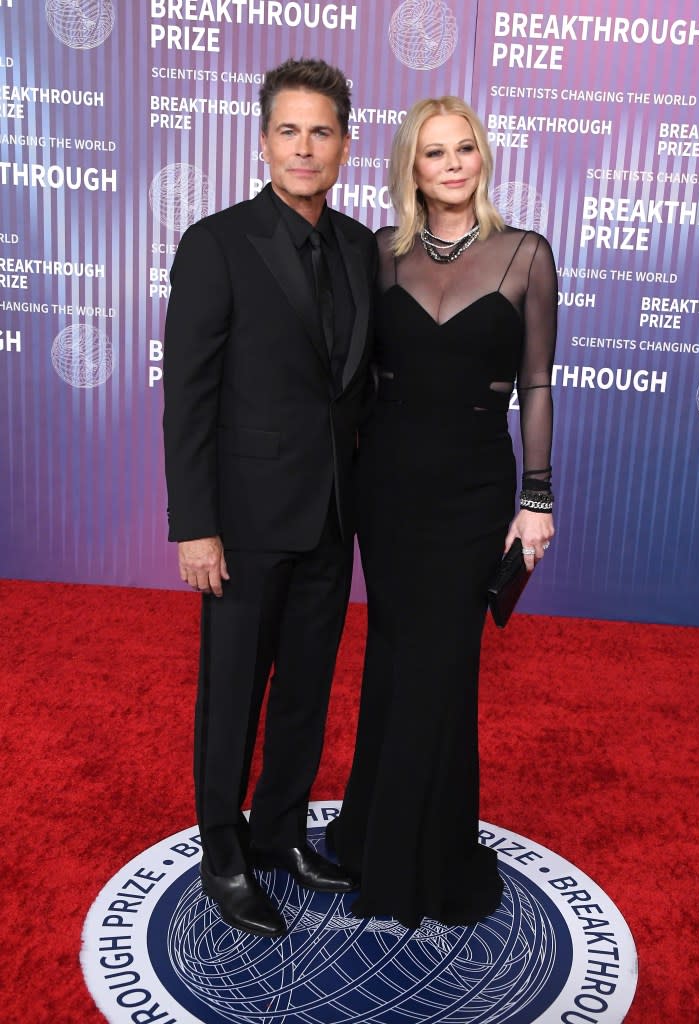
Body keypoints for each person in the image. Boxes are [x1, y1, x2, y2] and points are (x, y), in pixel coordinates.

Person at [327, 96, 557, 928]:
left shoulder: (525, 255)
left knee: (443, 664)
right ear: (411, 168)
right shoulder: (380, 259)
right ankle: (367, 834)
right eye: (435, 153)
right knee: (392, 655)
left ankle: (424, 861)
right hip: (386, 490)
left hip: (473, 491)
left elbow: (535, 383)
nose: (453, 164)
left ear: (482, 158)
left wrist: (537, 496)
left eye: (465, 148)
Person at [162, 58, 377, 938]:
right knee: (233, 690)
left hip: (332, 517)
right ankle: (223, 852)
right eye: (288, 130)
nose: (304, 147)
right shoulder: (216, 242)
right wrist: (195, 525)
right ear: (262, 142)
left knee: (306, 690)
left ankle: (281, 832)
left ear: (345, 146)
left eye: (320, 131)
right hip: (243, 522)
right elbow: (189, 394)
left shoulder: (362, 246)